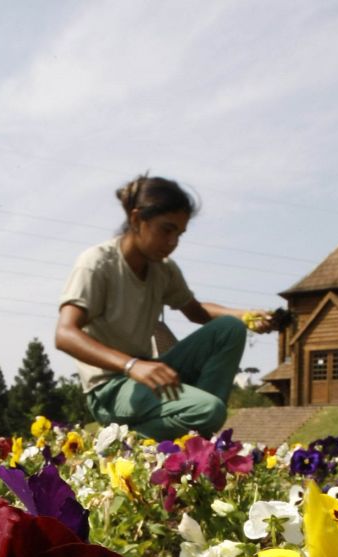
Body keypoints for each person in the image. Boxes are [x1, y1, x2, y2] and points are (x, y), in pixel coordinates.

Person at [55, 174, 280, 441]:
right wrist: (132, 365)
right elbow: (65, 334)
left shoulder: (163, 270)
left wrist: (245, 316)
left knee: (229, 329)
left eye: (179, 233)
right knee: (209, 410)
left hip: (147, 374)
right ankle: (122, 443)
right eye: (166, 230)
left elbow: (197, 313)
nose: (173, 242)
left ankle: (198, 436)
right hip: (110, 389)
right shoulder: (97, 263)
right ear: (137, 219)